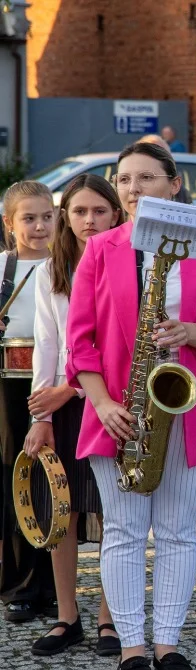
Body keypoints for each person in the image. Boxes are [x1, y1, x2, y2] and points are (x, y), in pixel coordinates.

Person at [65, 141, 196, 670]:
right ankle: (130, 647)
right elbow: (81, 341)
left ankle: (168, 643)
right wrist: (104, 403)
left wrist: (194, 333)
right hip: (117, 409)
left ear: (173, 184)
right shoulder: (101, 249)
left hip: (189, 404)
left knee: (179, 531)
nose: (132, 189)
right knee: (122, 531)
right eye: (123, 180)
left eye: (144, 178)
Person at [23, 175, 123, 657]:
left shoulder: (127, 263)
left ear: (116, 214)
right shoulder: (51, 270)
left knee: (112, 514)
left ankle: (111, 617)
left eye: (99, 211)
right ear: (67, 217)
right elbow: (48, 344)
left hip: (109, 402)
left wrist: (67, 390)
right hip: (61, 408)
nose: (89, 220)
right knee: (61, 512)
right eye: (79, 211)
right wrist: (42, 412)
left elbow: (112, 347)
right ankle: (68, 617)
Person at [0, 181, 57, 624]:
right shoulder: (2, 268)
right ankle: (19, 582)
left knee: (52, 481)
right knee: (12, 479)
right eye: (28, 218)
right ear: (9, 224)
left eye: (47, 217)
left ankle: (54, 583)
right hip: (7, 388)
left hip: (54, 384)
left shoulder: (68, 266)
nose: (39, 226)